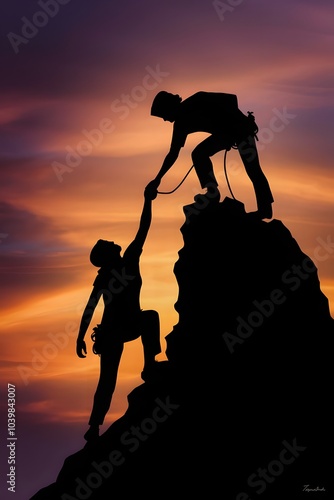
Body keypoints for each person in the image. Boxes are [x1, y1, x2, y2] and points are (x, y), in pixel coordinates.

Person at [76, 184, 161, 442]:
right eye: (108, 244)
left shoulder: (129, 259)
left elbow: (143, 228)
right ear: (106, 254)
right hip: (112, 331)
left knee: (151, 317)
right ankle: (94, 427)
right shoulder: (105, 276)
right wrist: (80, 336)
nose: (113, 242)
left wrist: (148, 201)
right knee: (107, 381)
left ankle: (149, 366)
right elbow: (90, 308)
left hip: (131, 323)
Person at [146, 90, 274, 219]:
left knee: (253, 170)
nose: (164, 119)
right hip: (226, 134)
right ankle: (212, 193)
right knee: (198, 154)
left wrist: (230, 125)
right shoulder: (180, 125)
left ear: (169, 107)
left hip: (241, 128)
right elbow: (173, 154)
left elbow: (231, 100)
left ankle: (265, 209)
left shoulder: (197, 99)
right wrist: (157, 179)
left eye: (163, 114)